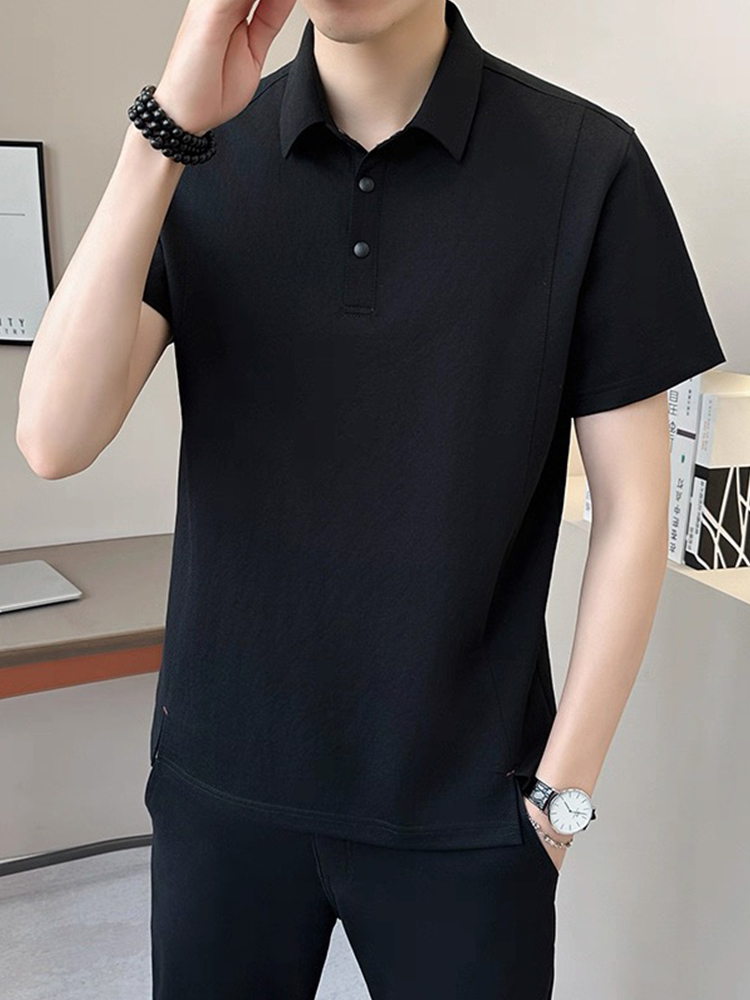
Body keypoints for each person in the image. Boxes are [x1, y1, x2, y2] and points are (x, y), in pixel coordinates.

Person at [16, 0, 726, 997]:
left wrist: (561, 800)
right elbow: (53, 439)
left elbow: (632, 511)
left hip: (470, 804)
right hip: (222, 784)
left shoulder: (585, 162)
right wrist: (163, 131)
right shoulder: (200, 153)